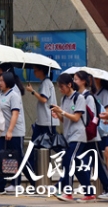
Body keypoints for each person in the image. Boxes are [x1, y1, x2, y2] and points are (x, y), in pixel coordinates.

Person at [52, 73, 91, 202]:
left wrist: (62, 112)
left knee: (68, 161)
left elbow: (75, 117)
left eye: (62, 86)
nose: (60, 89)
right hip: (69, 136)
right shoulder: (64, 99)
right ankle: (89, 193)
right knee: (78, 166)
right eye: (59, 87)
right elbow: (65, 120)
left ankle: (68, 192)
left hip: (78, 136)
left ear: (69, 85)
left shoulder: (79, 98)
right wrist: (58, 114)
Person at [0, 71, 28, 195]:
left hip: (14, 132)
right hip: (1, 132)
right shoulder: (1, 95)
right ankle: (0, 186)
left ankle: (34, 181)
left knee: (19, 158)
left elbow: (15, 114)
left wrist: (10, 130)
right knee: (1, 157)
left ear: (8, 82)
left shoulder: (13, 95)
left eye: (1, 81)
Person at [75, 70, 108, 201]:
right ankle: (88, 191)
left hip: (89, 135)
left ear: (83, 81)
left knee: (95, 163)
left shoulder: (88, 97)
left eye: (76, 79)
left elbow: (90, 116)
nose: (74, 81)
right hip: (82, 135)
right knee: (78, 162)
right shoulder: (78, 96)